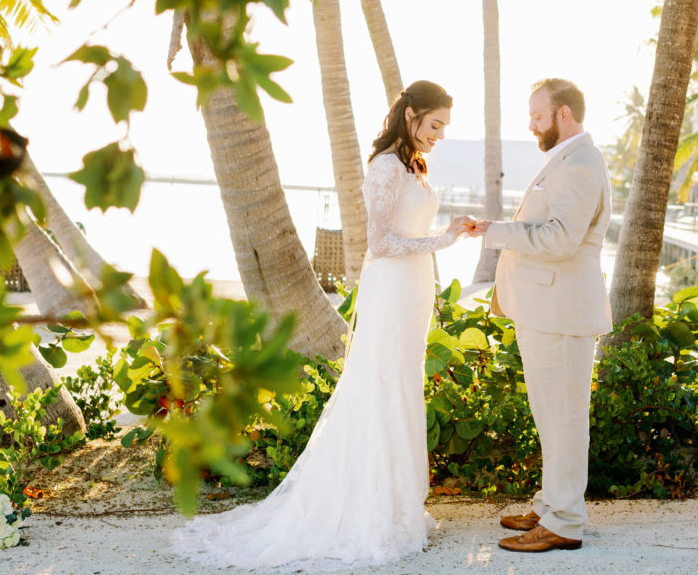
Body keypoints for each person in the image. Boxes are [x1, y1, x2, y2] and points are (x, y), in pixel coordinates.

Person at [173, 80, 475, 571]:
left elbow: (410, 232)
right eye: (435, 124)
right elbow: (380, 243)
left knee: (400, 388)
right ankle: (369, 511)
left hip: (413, 291)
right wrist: (443, 241)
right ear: (411, 114)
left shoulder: (413, 166)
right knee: (378, 390)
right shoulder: (384, 167)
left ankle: (399, 506)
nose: (439, 135)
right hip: (391, 290)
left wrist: (448, 232)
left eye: (444, 127)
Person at [470, 78, 612, 553]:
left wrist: (496, 232)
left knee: (565, 419)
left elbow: (560, 238)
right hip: (547, 310)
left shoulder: (581, 163)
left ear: (564, 114)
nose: (531, 124)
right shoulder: (567, 159)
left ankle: (565, 522)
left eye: (537, 115)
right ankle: (551, 504)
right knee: (551, 417)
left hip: (562, 313)